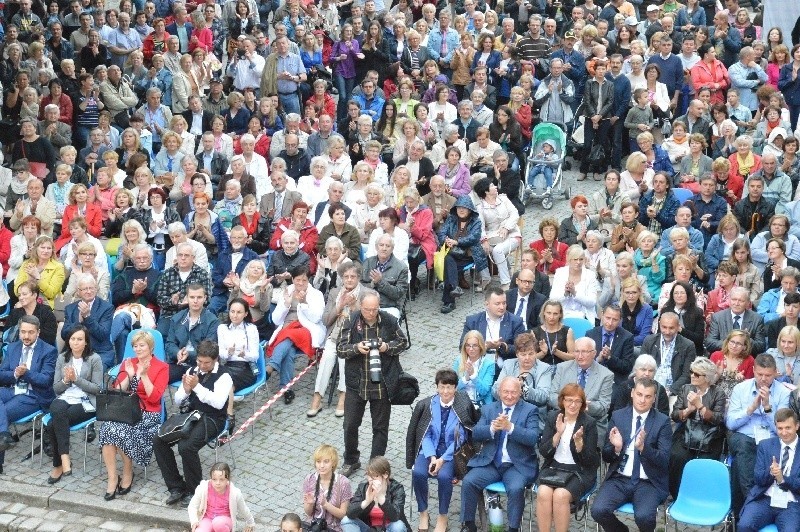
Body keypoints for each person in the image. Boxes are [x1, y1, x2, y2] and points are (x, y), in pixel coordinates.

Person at [336, 292, 409, 478]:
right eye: (367, 309)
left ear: (379, 306)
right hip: (356, 384)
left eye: (375, 309)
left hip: (382, 384)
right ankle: (351, 460)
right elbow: (340, 349)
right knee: (350, 425)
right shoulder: (350, 321)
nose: (371, 313)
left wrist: (386, 347)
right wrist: (356, 348)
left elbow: (403, 342)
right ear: (361, 306)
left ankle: (375, 465)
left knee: (380, 427)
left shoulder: (389, 320)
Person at [155, 339, 232, 508]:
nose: (202, 366)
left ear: (215, 360)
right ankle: (176, 486)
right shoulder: (192, 370)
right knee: (158, 440)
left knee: (186, 446)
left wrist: (196, 387)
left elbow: (218, 403)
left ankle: (195, 491)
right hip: (190, 415)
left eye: (207, 363)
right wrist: (186, 390)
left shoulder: (224, 376)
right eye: (199, 361)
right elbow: (177, 399)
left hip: (213, 418)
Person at [591, 378, 673, 532]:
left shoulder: (662, 422)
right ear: (632, 393)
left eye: (648, 396)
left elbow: (664, 460)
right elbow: (606, 457)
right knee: (598, 510)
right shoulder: (618, 416)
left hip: (648, 482)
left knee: (644, 517)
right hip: (619, 479)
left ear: (654, 398)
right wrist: (616, 448)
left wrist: (644, 448)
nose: (642, 400)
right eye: (639, 394)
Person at [459, 377, 538, 532]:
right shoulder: (489, 409)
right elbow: (476, 433)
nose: (509, 396)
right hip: (492, 463)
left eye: (513, 392)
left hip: (516, 465)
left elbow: (533, 438)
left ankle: (513, 528)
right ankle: (468, 524)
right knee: (469, 481)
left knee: (516, 489)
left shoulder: (530, 410)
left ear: (520, 392)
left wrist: (510, 428)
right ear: (499, 392)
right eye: (506, 392)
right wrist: (492, 428)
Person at [406, 369, 478, 532]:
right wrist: (432, 457)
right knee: (418, 473)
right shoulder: (427, 405)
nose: (446, 391)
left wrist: (442, 460)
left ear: (455, 388)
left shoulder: (462, 405)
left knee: (445, 476)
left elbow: (462, 438)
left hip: (451, 452)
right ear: (437, 387)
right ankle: (423, 513)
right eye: (442, 387)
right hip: (429, 450)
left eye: (450, 387)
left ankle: (442, 515)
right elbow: (424, 434)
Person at [99, 330, 168, 501]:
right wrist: (129, 376)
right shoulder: (129, 363)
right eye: (135, 346)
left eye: (141, 345)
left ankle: (128, 472)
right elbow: (118, 391)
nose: (138, 349)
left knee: (123, 430)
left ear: (151, 347)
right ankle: (113, 477)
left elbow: (155, 398)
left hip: (148, 412)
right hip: (127, 409)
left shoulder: (162, 367)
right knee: (107, 428)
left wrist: (143, 375)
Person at [726, 353, 793, 515]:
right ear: (754, 370)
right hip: (744, 437)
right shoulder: (740, 389)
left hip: (770, 439)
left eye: (768, 375)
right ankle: (753, 497)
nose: (763, 379)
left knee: (738, 470)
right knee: (743, 445)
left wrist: (768, 407)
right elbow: (730, 423)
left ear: (776, 373)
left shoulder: (783, 393)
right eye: (760, 374)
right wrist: (751, 409)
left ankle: (743, 511)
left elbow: (782, 429)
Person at [537, 383, 600, 532]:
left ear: (582, 404)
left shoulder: (589, 423)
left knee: (560, 495)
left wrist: (579, 444)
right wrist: (558, 434)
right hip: (554, 467)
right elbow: (544, 451)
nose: (573, 405)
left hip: (580, 470)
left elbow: (592, 461)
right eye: (569, 400)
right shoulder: (553, 417)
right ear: (562, 401)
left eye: (577, 401)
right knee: (543, 492)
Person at [46, 325, 103, 484]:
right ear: (68, 341)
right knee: (56, 406)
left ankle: (59, 464)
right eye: (73, 339)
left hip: (86, 402)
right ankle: (65, 458)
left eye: (80, 339)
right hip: (65, 399)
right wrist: (65, 380)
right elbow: (57, 389)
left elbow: (98, 389)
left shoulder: (94, 359)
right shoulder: (62, 358)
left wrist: (76, 379)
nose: (76, 343)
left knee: (52, 425)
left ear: (86, 342)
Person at [0, 316, 57, 473]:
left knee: (1, 413)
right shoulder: (12, 348)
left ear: (38, 332)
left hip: (34, 394)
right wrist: (15, 374)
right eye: (23, 332)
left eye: (30, 332)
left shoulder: (48, 351)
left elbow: (46, 380)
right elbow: (1, 374)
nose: (26, 336)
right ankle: (4, 434)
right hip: (13, 388)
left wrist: (26, 373)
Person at [668, 356, 727, 498]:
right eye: (691, 372)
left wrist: (700, 406)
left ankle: (701, 495)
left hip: (710, 435)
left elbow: (718, 419)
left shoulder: (718, 392)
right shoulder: (685, 388)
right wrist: (688, 410)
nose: (692, 376)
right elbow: (675, 415)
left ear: (706, 377)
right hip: (687, 430)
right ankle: (677, 494)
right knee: (677, 456)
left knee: (705, 461)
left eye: (697, 374)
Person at [267, 266, 325, 405]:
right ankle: (285, 388)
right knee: (289, 349)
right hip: (287, 327)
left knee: (288, 335)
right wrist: (286, 304)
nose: (300, 283)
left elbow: (317, 318)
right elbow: (275, 320)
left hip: (306, 329)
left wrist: (304, 303)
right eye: (297, 280)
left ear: (308, 280)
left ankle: (271, 366)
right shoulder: (286, 292)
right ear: (292, 279)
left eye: (304, 280)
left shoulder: (316, 294)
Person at [737, 407, 800, 532]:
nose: (784, 432)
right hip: (765, 499)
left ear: (797, 426)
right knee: (744, 526)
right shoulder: (765, 445)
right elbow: (758, 479)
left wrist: (783, 479)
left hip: (791, 503)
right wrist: (771, 473)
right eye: (780, 428)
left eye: (788, 428)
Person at [437, 196, 487, 314]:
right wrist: (446, 240)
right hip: (452, 254)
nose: (461, 210)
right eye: (459, 207)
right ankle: (453, 290)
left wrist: (457, 242)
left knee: (447, 263)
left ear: (470, 209)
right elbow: (441, 233)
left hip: (468, 254)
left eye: (464, 208)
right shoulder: (451, 219)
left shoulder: (476, 222)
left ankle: (449, 299)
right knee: (449, 261)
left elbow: (473, 237)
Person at [493, 332, 552, 431]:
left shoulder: (544, 368)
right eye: (523, 354)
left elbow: (544, 396)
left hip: (532, 416)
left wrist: (523, 388)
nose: (527, 358)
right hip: (506, 412)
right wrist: (510, 389)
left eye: (531, 353)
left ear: (536, 352)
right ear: (517, 354)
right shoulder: (508, 364)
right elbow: (495, 390)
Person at [164, 284, 219, 384]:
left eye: (199, 297)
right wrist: (177, 353)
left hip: (202, 365)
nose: (195, 301)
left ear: (205, 298)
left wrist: (189, 354)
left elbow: (210, 349)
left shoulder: (212, 321)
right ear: (187, 298)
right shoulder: (176, 318)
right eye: (192, 297)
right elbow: (169, 344)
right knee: (158, 378)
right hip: (179, 363)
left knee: (203, 385)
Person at [342, 456, 410, 532]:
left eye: (375, 476)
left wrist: (381, 498)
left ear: (385, 475)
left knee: (398, 526)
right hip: (369, 529)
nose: (371, 479)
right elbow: (350, 513)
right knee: (346, 520)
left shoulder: (397, 489)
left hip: (389, 529)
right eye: (369, 476)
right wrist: (366, 502)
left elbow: (395, 516)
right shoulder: (363, 488)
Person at [61, 275, 115, 369]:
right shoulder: (70, 309)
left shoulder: (106, 308)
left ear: (96, 289)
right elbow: (64, 335)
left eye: (91, 288)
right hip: (75, 352)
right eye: (85, 289)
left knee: (92, 371)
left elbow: (103, 334)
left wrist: (87, 317)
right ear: (78, 291)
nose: (89, 291)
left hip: (99, 352)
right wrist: (78, 322)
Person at [461, 288, 525, 365]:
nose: (502, 307)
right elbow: (462, 346)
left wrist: (501, 346)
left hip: (504, 365)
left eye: (504, 303)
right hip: (478, 363)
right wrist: (483, 346)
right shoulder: (472, 321)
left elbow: (521, 348)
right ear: (487, 304)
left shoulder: (516, 321)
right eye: (497, 304)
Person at [641, 312, 698, 398]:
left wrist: (671, 391)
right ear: (659, 324)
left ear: (678, 326)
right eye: (664, 327)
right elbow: (642, 368)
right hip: (648, 388)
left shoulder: (688, 345)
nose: (667, 332)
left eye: (671, 328)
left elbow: (686, 375)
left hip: (674, 392)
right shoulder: (649, 341)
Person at [188, 461, 256, 532]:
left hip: (224, 521)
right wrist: (194, 521)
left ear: (227, 479)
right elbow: (192, 506)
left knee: (218, 523)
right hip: (207, 519)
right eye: (214, 479)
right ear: (211, 478)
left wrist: (250, 522)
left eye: (222, 479)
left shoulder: (234, 493)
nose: (217, 483)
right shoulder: (203, 489)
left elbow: (243, 509)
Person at [707, 286, 767, 355]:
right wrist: (731, 344)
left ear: (748, 303)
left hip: (746, 359)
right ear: (729, 301)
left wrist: (745, 340)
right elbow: (710, 343)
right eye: (734, 299)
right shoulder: (718, 317)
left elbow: (761, 346)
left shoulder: (757, 319)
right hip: (723, 357)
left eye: (741, 301)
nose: (736, 303)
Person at [550, 244, 602, 324]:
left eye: (581, 259)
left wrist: (575, 294)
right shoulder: (560, 273)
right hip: (563, 316)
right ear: (569, 260)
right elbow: (552, 299)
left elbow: (592, 302)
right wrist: (565, 294)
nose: (578, 262)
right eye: (575, 259)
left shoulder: (590, 275)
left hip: (584, 317)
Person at [586, 304, 635, 385]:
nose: (610, 323)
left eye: (615, 320)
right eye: (608, 318)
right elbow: (585, 361)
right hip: (592, 377)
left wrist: (610, 358)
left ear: (620, 320)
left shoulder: (627, 337)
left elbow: (627, 367)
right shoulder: (591, 334)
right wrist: (598, 359)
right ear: (602, 315)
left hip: (615, 380)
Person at [360, 234, 409, 316]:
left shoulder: (401, 267)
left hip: (389, 306)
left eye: (388, 246)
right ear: (376, 247)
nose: (384, 248)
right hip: (368, 305)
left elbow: (398, 294)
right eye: (381, 245)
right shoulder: (367, 262)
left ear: (392, 249)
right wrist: (372, 284)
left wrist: (380, 282)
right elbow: (360, 285)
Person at [6, 280, 57, 348]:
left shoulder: (46, 312)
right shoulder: (14, 313)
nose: (21, 297)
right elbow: (7, 334)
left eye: (24, 294)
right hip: (17, 349)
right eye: (19, 295)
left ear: (34, 295)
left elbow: (50, 337)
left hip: (40, 349)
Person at [453, 330, 495, 407]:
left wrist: (473, 376)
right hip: (462, 402)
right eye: (468, 345)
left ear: (481, 346)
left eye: (475, 345)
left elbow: (484, 391)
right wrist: (465, 379)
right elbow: (453, 387)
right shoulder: (459, 360)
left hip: (481, 403)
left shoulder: (489, 364)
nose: (471, 349)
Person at [532, 300, 576, 366]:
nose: (551, 317)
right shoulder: (535, 332)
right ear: (543, 313)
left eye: (555, 314)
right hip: (540, 370)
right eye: (549, 313)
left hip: (562, 369)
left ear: (560, 315)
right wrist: (542, 353)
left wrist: (557, 352)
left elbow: (573, 357)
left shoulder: (567, 331)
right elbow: (530, 358)